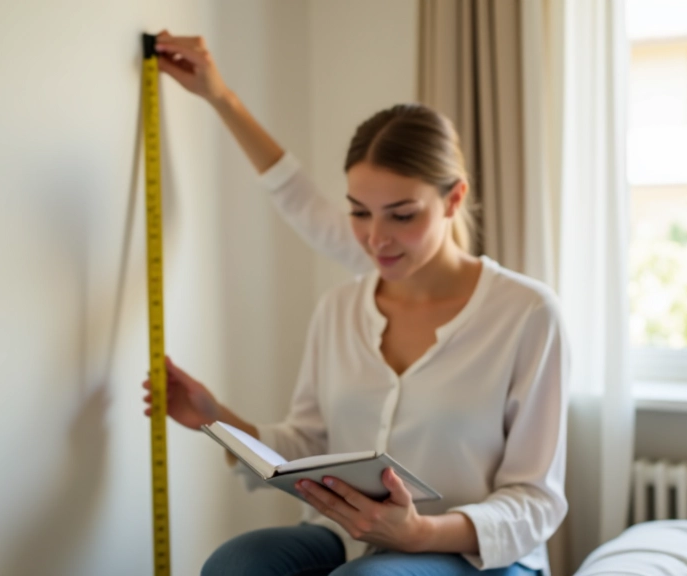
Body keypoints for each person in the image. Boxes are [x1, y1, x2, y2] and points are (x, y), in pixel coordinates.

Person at [141, 30, 570, 576]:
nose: (375, 238)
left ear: (453, 198)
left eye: (402, 214)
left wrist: (418, 533)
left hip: (473, 556)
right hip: (347, 539)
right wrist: (215, 418)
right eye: (359, 212)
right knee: (236, 564)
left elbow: (536, 501)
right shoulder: (341, 309)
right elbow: (305, 445)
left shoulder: (528, 314)